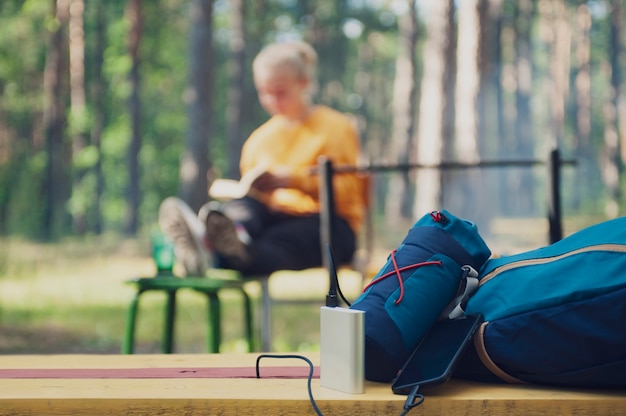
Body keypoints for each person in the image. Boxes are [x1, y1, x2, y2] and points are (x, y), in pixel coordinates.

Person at [159, 40, 365, 276]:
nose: (272, 101)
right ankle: (219, 243)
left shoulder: (336, 128)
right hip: (272, 218)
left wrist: (294, 180)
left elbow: (350, 193)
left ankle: (212, 252)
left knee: (278, 241)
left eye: (280, 92)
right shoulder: (260, 139)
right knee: (245, 207)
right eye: (264, 92)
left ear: (303, 83)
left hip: (329, 225)